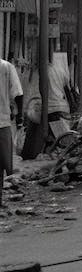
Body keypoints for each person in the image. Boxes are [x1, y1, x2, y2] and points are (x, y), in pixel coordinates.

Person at [0, 57, 23, 206]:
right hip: (2, 123)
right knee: (3, 162)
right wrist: (19, 117)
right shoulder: (6, 67)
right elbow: (18, 93)